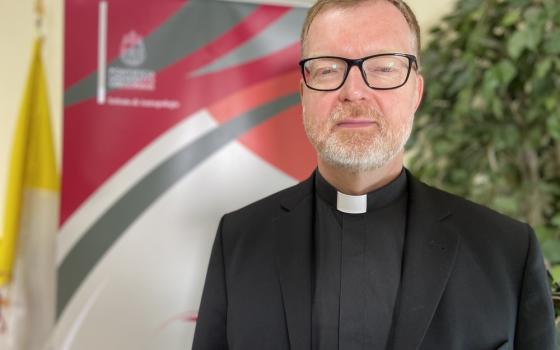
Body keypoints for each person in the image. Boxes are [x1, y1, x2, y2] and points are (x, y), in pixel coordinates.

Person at [192, 0, 556, 349]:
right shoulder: (238, 241)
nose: (354, 91)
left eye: (383, 67)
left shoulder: (506, 252)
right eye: (328, 69)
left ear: (416, 91)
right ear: (304, 95)